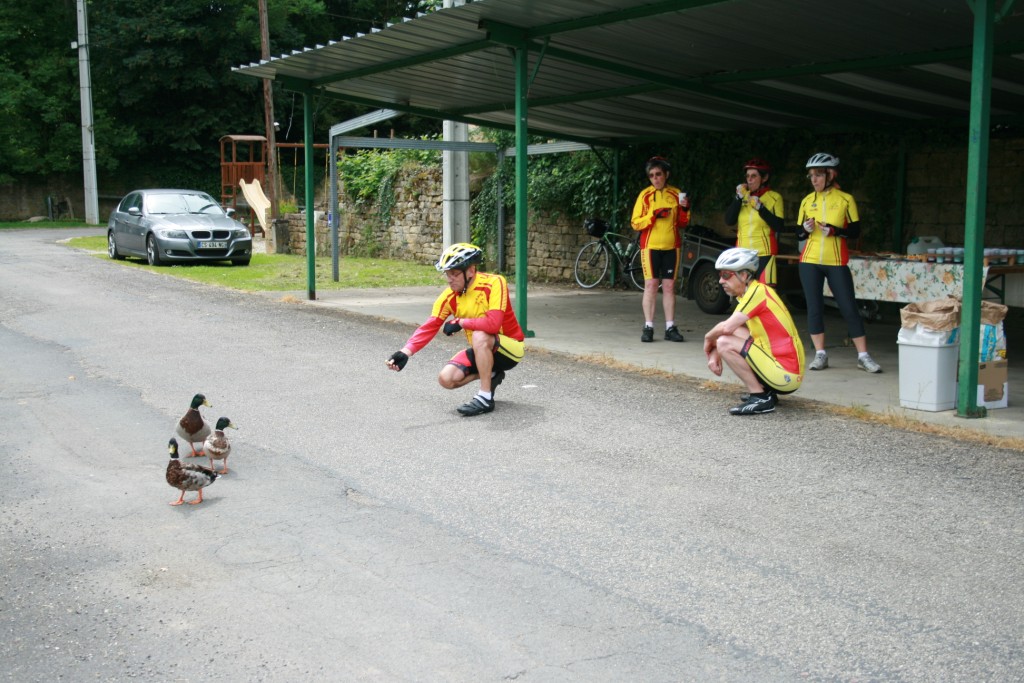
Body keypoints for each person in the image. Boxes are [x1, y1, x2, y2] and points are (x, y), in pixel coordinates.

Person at [385, 243, 525, 416]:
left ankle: (485, 397)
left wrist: (461, 322)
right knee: (446, 379)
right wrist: (405, 352)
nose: (450, 279)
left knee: (481, 335)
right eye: (447, 274)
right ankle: (493, 373)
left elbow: (493, 324)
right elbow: (430, 326)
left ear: (471, 271)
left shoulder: (494, 283)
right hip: (481, 349)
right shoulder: (449, 297)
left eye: (454, 273)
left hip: (510, 348)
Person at [796, 153, 881, 373]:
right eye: (811, 175)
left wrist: (836, 231)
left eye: (818, 175)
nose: (813, 179)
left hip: (836, 260)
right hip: (809, 261)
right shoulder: (807, 201)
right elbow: (798, 234)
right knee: (814, 307)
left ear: (831, 174)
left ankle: (863, 355)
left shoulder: (845, 199)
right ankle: (820, 354)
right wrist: (804, 230)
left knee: (848, 306)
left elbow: (855, 230)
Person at [704, 248, 805, 415]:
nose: (721, 281)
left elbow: (726, 327)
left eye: (726, 275)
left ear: (743, 275)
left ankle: (760, 397)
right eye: (720, 275)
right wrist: (713, 350)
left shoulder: (757, 293)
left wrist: (708, 341)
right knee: (729, 335)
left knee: (724, 342)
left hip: (786, 375)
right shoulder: (752, 292)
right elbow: (729, 329)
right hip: (781, 367)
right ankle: (766, 391)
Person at [630, 156, 690, 343]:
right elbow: (635, 223)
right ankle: (648, 326)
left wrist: (685, 209)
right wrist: (653, 216)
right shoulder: (644, 195)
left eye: (658, 174)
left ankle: (670, 327)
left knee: (670, 286)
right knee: (651, 285)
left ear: (666, 175)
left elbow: (683, 223)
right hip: (650, 247)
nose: (655, 178)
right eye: (652, 175)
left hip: (672, 246)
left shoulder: (676, 194)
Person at [724, 158, 784, 286]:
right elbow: (729, 221)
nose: (749, 180)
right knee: (743, 294)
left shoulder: (775, 197)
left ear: (765, 178)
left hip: (764, 253)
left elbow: (779, 226)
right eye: (747, 176)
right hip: (742, 253)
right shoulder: (743, 197)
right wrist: (738, 198)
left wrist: (761, 209)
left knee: (764, 294)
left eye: (753, 176)